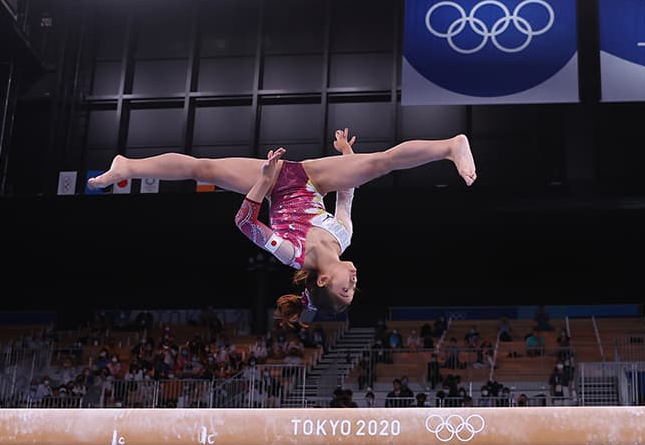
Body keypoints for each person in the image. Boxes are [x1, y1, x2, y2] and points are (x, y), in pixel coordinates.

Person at [88, 131, 476, 322]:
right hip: (316, 178)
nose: (355, 281)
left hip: (275, 184)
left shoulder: (292, 253)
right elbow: (348, 193)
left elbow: (244, 222)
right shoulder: (344, 236)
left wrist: (265, 178)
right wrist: (348, 157)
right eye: (355, 288)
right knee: (379, 164)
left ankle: (128, 167)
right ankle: (449, 146)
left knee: (201, 168)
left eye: (347, 288)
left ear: (322, 281)